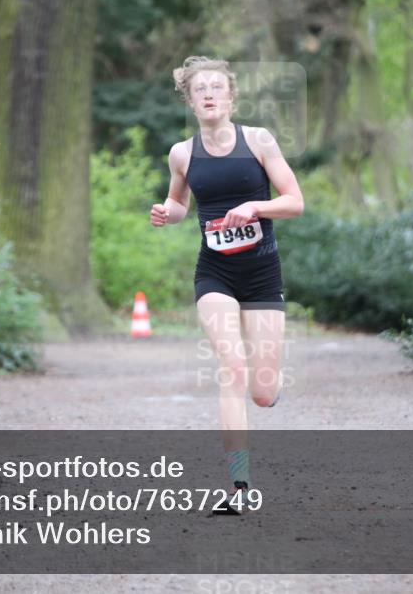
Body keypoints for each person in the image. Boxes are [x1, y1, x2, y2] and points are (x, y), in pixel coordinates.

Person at [150, 56, 303, 514]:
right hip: (214, 272)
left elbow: (294, 202)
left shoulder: (258, 141)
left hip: (261, 272)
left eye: (218, 87)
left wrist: (256, 208)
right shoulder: (182, 153)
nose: (210, 94)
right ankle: (239, 486)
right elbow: (179, 204)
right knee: (232, 367)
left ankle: (269, 388)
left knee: (261, 390)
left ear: (232, 96)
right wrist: (167, 214)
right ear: (191, 101)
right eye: (201, 90)